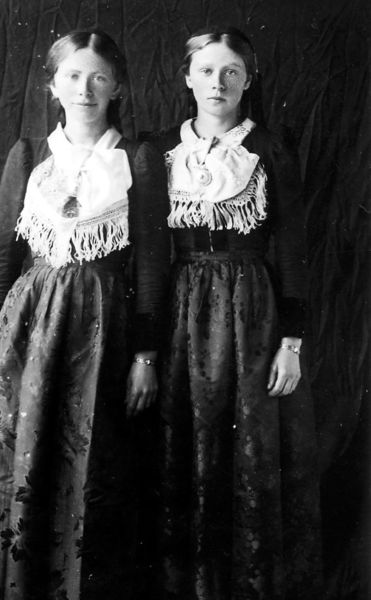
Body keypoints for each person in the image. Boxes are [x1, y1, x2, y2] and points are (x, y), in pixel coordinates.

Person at [0, 29, 170, 600]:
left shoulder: (138, 160)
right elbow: (2, 256)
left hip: (103, 331)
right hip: (27, 331)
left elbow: (152, 263)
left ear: (117, 86)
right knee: (21, 457)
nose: (85, 89)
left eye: (99, 77)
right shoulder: (28, 155)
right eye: (73, 76)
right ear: (53, 86)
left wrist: (146, 355)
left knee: (92, 465)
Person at [151, 26, 322, 599]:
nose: (217, 82)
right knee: (183, 440)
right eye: (206, 70)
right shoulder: (162, 151)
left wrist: (292, 343)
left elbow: (293, 250)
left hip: (252, 310)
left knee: (248, 442)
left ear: (248, 81)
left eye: (231, 71)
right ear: (187, 78)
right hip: (181, 309)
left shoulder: (269, 149)